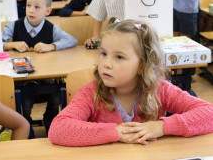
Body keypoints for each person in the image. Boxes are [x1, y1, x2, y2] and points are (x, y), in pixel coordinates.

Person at [48, 18, 213, 147]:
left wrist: (161, 127)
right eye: (103, 53)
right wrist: (115, 133)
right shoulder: (91, 93)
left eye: (119, 57)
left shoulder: (160, 90)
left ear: (142, 65)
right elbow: (58, 129)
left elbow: (209, 113)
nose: (106, 63)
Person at [2, 0, 77, 138]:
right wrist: (11, 45)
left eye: (37, 7)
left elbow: (72, 40)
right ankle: (26, 127)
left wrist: (52, 46)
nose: (31, 10)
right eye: (29, 5)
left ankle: (49, 119)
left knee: (56, 95)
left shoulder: (51, 28)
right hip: (23, 78)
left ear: (47, 11)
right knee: (25, 102)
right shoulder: (14, 25)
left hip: (46, 76)